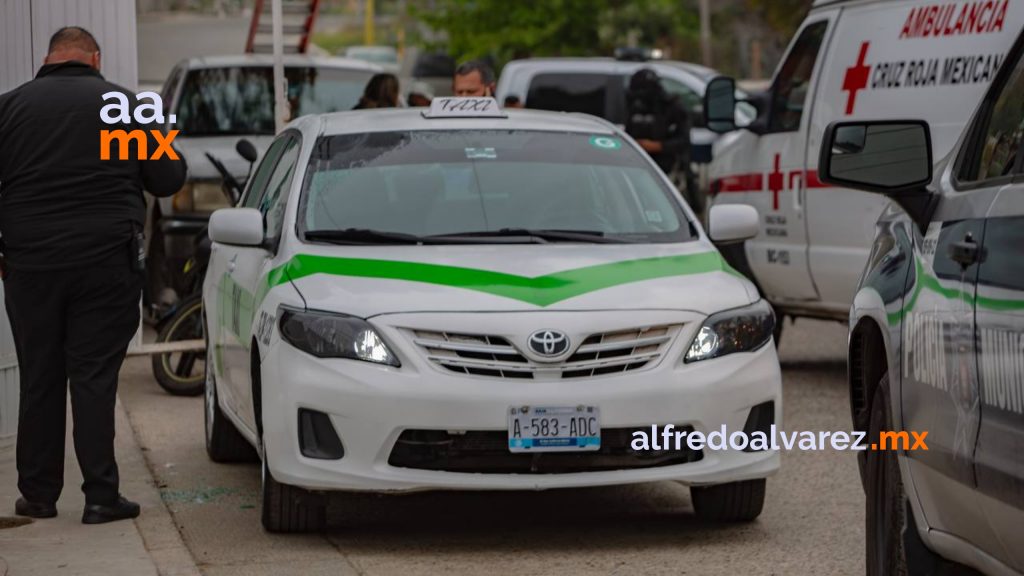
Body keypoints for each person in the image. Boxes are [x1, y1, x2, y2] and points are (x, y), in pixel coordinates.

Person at [0, 26, 186, 523]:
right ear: (95, 59)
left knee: (40, 376)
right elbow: (169, 177)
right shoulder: (124, 109)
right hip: (106, 263)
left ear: (49, 59)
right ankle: (101, 497)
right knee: (93, 378)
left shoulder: (9, 108)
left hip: (30, 265)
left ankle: (38, 495)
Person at [624, 68, 700, 212]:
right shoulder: (635, 106)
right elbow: (628, 133)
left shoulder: (673, 107)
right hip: (638, 168)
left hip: (668, 170)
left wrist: (657, 146)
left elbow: (684, 141)